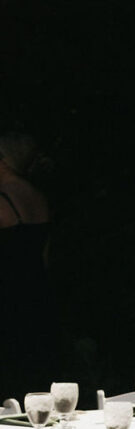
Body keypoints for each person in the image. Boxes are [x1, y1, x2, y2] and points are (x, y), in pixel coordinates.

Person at [0, 132, 55, 405]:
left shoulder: (3, 201)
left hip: (8, 297)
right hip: (37, 293)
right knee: (33, 376)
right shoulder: (38, 197)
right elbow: (44, 255)